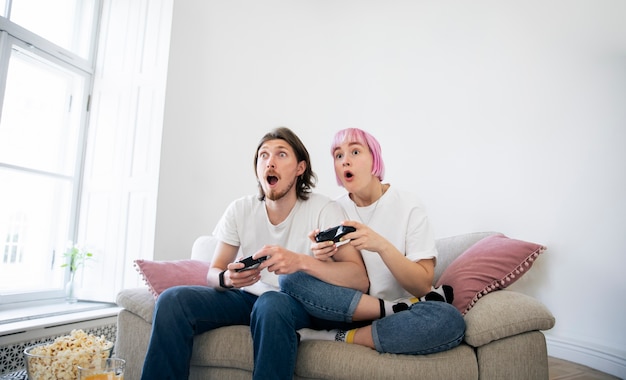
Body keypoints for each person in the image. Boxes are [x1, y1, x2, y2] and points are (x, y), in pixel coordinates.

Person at [140, 127, 369, 380]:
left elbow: (359, 278)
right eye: (263, 156)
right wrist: (228, 279)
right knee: (172, 301)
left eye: (281, 155)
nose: (270, 162)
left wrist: (300, 263)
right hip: (246, 298)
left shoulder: (324, 209)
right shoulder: (240, 209)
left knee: (271, 303)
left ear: (300, 168)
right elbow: (213, 273)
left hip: (295, 303)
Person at [280, 127, 465, 355]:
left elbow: (423, 286)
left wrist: (380, 245)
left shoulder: (409, 206)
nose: (345, 161)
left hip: (405, 315)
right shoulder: (333, 209)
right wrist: (324, 260)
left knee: (449, 320)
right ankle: (387, 312)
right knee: (290, 278)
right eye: (338, 155)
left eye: (355, 152)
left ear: (374, 159)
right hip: (350, 311)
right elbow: (346, 283)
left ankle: (336, 337)